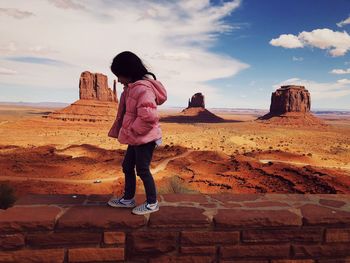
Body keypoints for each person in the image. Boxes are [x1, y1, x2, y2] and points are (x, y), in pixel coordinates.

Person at [107, 51, 167, 215]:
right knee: (127, 166)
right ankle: (128, 199)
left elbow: (149, 117)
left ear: (128, 72)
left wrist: (133, 129)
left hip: (145, 138)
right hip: (136, 138)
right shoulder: (131, 88)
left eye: (119, 75)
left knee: (142, 169)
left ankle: (152, 203)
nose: (118, 80)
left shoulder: (142, 89)